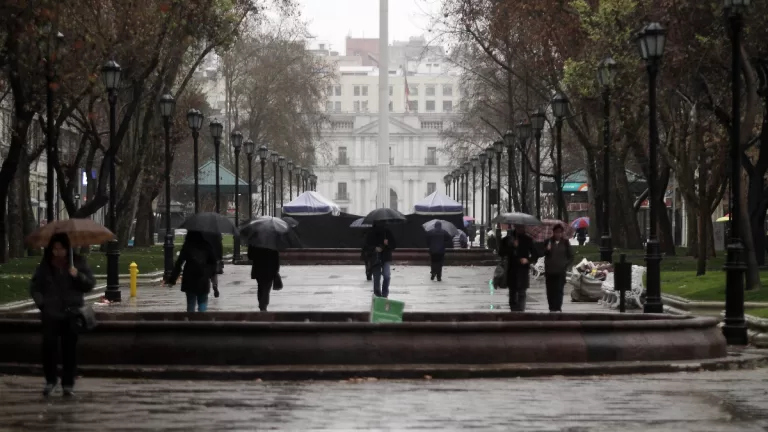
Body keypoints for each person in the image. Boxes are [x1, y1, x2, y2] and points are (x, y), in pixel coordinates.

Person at [29, 233, 96, 397]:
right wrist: (42, 304)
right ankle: (50, 380)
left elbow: (89, 284)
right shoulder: (46, 265)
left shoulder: (78, 262)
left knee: (69, 350)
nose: (58, 252)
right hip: (51, 314)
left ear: (67, 249)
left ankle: (68, 384)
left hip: (71, 313)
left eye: (61, 249)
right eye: (55, 249)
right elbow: (35, 286)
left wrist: (77, 275)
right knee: (49, 348)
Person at [166, 231, 218, 312]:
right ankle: (202, 320)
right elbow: (213, 264)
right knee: (202, 302)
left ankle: (190, 322)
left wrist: (172, 280)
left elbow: (179, 263)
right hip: (203, 278)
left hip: (189, 278)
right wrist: (214, 283)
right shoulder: (207, 246)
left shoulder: (187, 246)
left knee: (190, 303)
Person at [499, 225, 538, 311]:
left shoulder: (528, 239)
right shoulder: (507, 239)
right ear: (515, 227)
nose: (521, 229)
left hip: (523, 269)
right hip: (511, 269)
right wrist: (512, 246)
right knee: (512, 292)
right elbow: (501, 252)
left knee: (522, 292)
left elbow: (535, 254)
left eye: (522, 227)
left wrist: (528, 260)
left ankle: (521, 311)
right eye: (519, 227)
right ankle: (513, 310)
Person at [544, 225, 574, 312]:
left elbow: (571, 256)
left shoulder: (565, 242)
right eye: (556, 232)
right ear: (553, 232)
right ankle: (552, 307)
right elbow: (542, 253)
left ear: (562, 233)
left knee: (559, 290)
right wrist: (547, 249)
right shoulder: (548, 241)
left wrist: (565, 264)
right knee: (550, 290)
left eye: (560, 232)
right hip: (550, 271)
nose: (558, 234)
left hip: (560, 271)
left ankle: (558, 307)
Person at [364, 222, 396, 298]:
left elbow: (394, 245)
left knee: (387, 275)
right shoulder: (371, 232)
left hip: (386, 257)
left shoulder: (387, 232)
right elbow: (366, 246)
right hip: (375, 257)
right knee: (376, 277)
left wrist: (387, 243)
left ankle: (385, 294)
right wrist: (374, 248)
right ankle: (377, 295)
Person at [248, 246, 280, 311]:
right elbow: (276, 257)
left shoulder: (255, 243)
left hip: (258, 268)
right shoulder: (271, 243)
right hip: (270, 268)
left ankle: (261, 303)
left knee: (260, 287)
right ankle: (263, 305)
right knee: (266, 288)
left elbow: (250, 256)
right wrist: (276, 270)